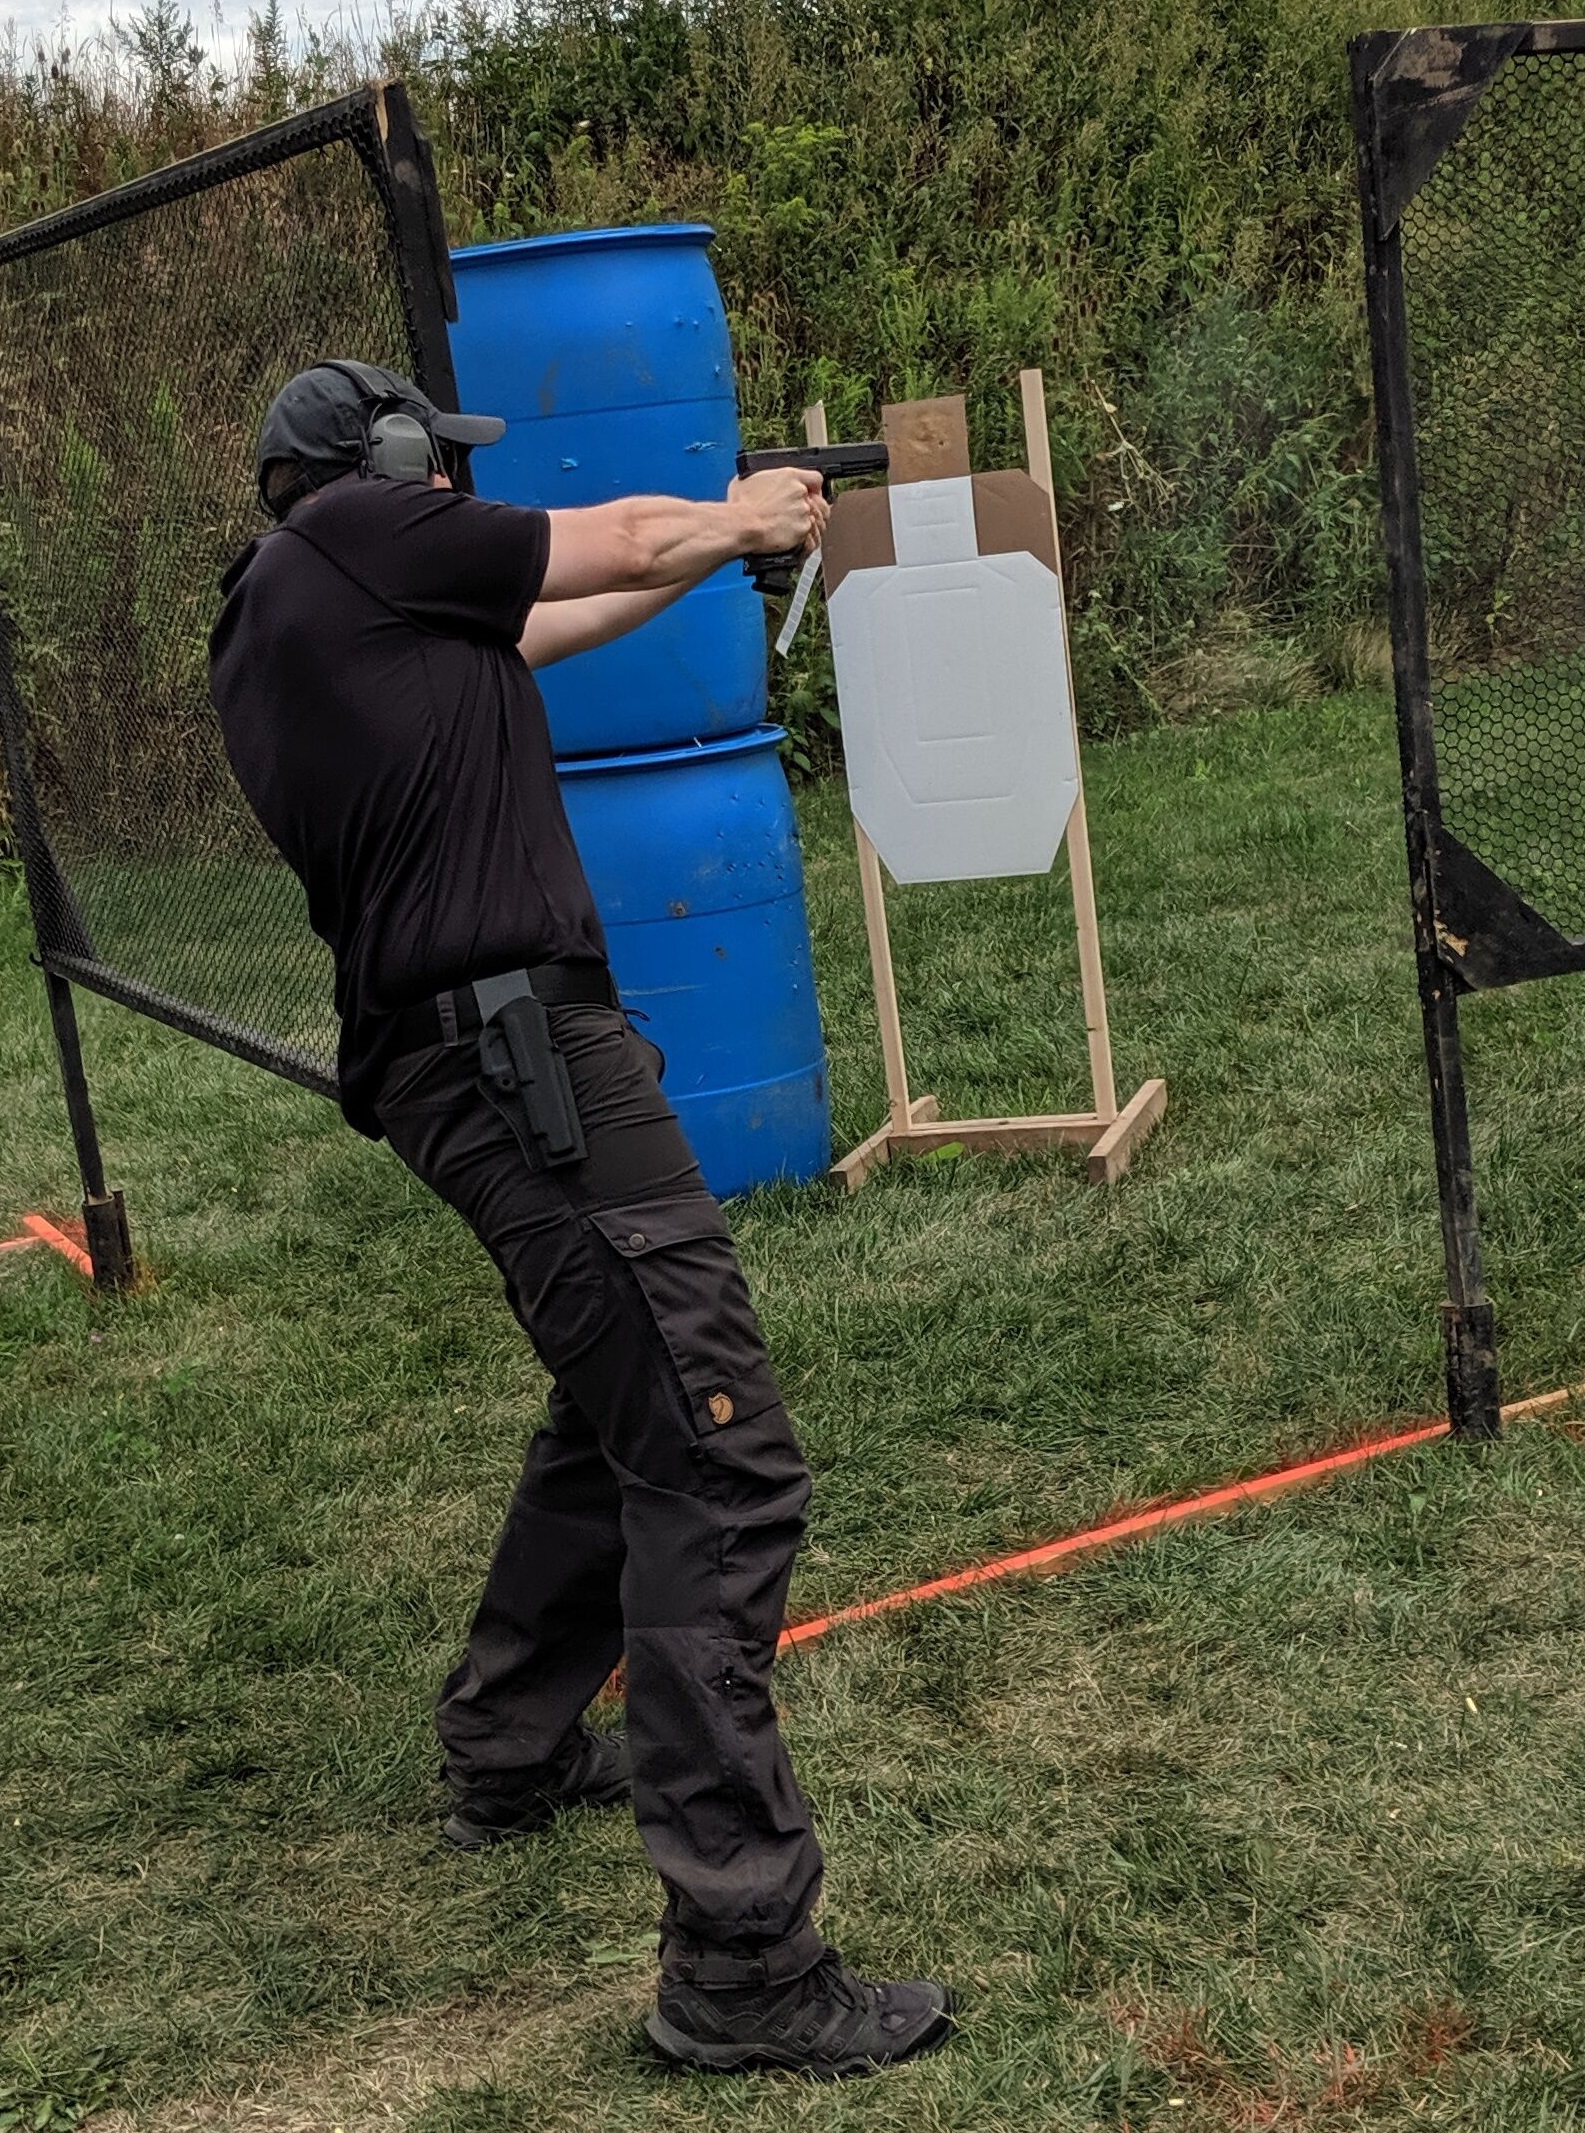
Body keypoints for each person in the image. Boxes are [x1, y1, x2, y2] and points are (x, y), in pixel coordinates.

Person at [207, 359, 954, 2077]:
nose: (456, 489)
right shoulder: (368, 542)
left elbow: (573, 607)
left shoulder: (307, 620)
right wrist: (742, 514)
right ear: (380, 466)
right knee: (715, 1457)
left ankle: (513, 1741)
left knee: (609, 1387)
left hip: (463, 1060)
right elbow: (604, 531)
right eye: (436, 465)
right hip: (515, 1052)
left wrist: (710, 548)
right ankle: (741, 1962)